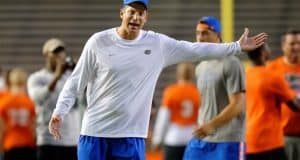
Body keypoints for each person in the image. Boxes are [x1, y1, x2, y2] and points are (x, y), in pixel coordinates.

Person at [48, 0, 267, 159]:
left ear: (146, 17)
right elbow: (76, 81)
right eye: (132, 12)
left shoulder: (158, 44)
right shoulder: (98, 42)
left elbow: (196, 49)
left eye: (141, 13)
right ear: (122, 13)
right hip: (94, 133)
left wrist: (236, 47)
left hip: (131, 136)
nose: (136, 17)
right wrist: (60, 111)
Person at [183, 16, 246, 160]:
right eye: (198, 33)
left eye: (205, 33)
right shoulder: (200, 66)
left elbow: (238, 104)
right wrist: (202, 124)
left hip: (227, 140)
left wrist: (211, 125)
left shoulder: (231, 63)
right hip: (202, 138)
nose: (200, 38)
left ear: (218, 35)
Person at [27, 38, 81, 160]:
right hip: (48, 140)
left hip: (71, 140)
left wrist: (79, 73)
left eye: (61, 52)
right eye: (55, 53)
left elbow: (80, 101)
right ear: (46, 55)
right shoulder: (37, 78)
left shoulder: (70, 77)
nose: (59, 56)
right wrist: (57, 76)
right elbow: (37, 98)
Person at [246, 44, 300, 160]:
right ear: (263, 53)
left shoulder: (244, 76)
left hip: (248, 141)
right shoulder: (272, 77)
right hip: (269, 141)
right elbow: (296, 106)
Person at [151, 62, 200, 160]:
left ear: (178, 74)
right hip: (191, 138)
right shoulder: (197, 92)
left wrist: (157, 140)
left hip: (173, 138)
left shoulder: (171, 92)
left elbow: (163, 119)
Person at [267, 29, 300, 160]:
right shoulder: (272, 69)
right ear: (283, 46)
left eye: (299, 43)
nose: (296, 47)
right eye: (292, 43)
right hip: (282, 137)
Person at [0, 68, 36, 160]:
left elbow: (2, 128)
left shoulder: (4, 102)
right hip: (27, 145)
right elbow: (33, 128)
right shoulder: (29, 102)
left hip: (10, 145)